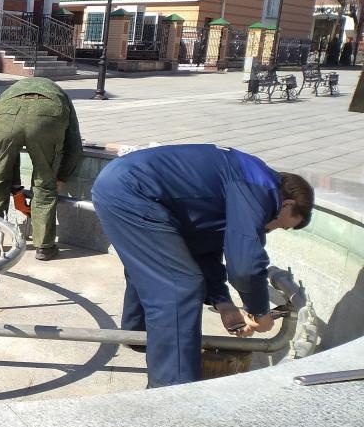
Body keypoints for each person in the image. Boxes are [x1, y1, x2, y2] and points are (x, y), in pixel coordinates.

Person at [91, 144, 313, 388]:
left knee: (157, 268)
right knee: (178, 286)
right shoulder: (258, 189)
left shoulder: (247, 179)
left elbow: (201, 244)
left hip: (125, 185)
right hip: (132, 191)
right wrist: (259, 312)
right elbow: (246, 266)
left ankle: (140, 335)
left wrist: (223, 303)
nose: (272, 229)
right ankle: (171, 392)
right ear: (288, 204)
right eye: (282, 225)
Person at [0, 77, 82, 260]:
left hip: (4, 111)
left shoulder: (10, 91)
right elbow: (74, 146)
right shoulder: (60, 95)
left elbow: (9, 160)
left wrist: (17, 190)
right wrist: (61, 177)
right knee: (44, 183)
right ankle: (44, 247)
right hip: (48, 112)